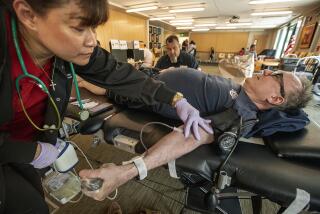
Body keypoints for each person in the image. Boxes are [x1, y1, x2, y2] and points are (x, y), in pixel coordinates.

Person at [0, 1, 212, 213]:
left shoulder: (63, 48)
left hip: (29, 145)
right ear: (28, 15)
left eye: (94, 28)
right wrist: (31, 151)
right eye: (79, 28)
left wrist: (175, 99)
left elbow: (120, 73)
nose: (92, 41)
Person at [79, 68, 312, 201]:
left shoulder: (242, 116)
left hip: (138, 92)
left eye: (276, 76)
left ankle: (87, 84)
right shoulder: (243, 91)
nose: (268, 70)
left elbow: (191, 136)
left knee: (92, 82)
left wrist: (127, 171)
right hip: (153, 79)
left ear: (276, 99)